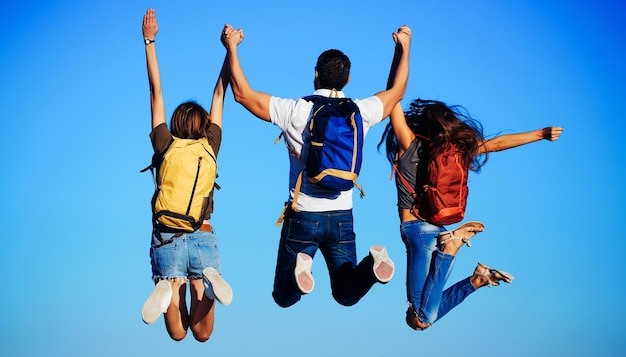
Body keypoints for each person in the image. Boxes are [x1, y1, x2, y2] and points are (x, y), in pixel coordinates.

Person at [220, 24, 412, 307]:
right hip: (342, 217)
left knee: (284, 297)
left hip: (303, 216)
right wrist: (403, 48)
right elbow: (397, 92)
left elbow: (242, 94)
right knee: (346, 294)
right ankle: (372, 267)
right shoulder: (359, 111)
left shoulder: (295, 110)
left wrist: (232, 48)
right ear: (347, 78)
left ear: (316, 74)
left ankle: (301, 269)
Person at [379, 99, 564, 330]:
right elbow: (497, 144)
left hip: (417, 233)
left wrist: (399, 61)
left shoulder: (409, 142)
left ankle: (451, 248)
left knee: (421, 318)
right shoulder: (456, 148)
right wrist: (541, 134)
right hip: (439, 228)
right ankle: (478, 279)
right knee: (418, 319)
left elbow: (393, 96)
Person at [139, 9, 233, 342]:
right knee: (202, 334)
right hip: (202, 233)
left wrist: (149, 41)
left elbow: (156, 92)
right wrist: (230, 51)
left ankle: (169, 286)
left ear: (177, 124)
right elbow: (220, 93)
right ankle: (205, 284)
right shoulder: (211, 143)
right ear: (204, 125)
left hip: (166, 237)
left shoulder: (164, 143)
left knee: (177, 333)